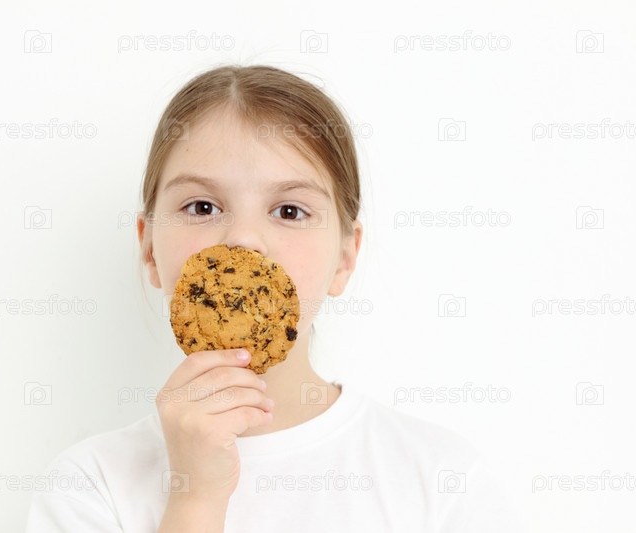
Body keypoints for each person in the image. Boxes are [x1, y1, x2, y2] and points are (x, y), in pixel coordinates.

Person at [25, 64, 518, 532]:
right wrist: (195, 499)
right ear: (149, 248)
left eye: (289, 211)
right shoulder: (90, 486)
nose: (243, 240)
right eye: (202, 206)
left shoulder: (444, 481)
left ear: (345, 258)